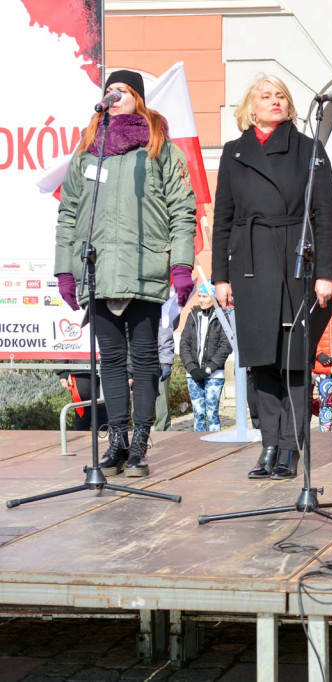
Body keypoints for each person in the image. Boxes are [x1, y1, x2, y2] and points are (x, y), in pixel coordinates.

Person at [54, 69, 196, 477]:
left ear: (138, 98)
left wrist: (182, 265)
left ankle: (140, 444)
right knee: (111, 360)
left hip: (144, 268)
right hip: (98, 269)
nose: (113, 96)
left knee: (145, 358)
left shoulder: (160, 150)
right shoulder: (87, 152)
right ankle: (116, 441)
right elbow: (68, 215)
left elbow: (182, 212)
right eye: (109, 91)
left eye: (123, 91)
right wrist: (66, 270)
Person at [212, 74, 332, 479]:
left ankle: (291, 447)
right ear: (250, 107)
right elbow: (223, 220)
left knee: (294, 363)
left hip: (294, 262)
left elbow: (326, 216)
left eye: (281, 96)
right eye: (266, 96)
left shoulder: (308, 149)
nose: (275, 101)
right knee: (262, 362)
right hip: (248, 265)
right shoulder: (234, 153)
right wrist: (221, 277)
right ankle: (268, 445)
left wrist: (325, 274)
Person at [180, 281, 233, 432]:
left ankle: (215, 444)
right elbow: (184, 344)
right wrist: (192, 368)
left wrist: (210, 368)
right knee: (198, 414)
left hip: (215, 375)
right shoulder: (192, 315)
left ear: (214, 297)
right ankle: (199, 444)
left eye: (205, 296)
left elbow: (225, 346)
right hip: (193, 374)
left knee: (212, 413)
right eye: (199, 296)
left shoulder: (222, 317)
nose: (201, 300)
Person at [153, 309, 180, 432]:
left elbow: (166, 335)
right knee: (139, 397)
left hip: (160, 358)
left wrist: (166, 361)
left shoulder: (165, 309)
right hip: (140, 359)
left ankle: (162, 430)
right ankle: (139, 429)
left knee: (161, 398)